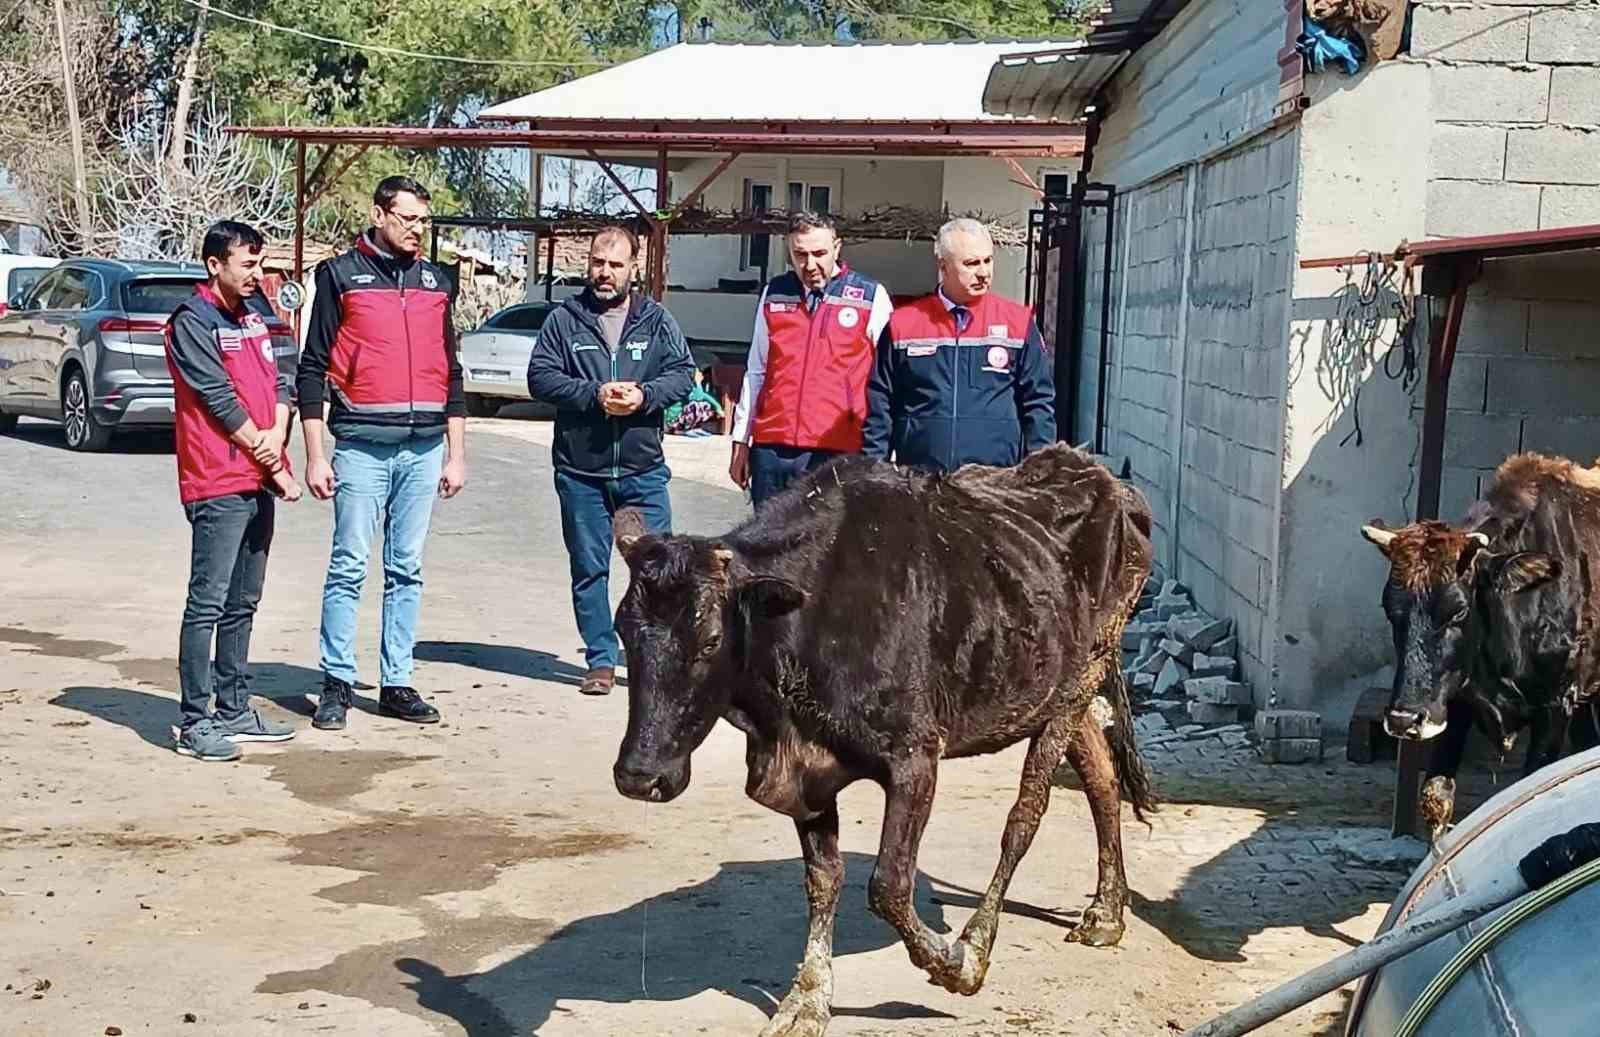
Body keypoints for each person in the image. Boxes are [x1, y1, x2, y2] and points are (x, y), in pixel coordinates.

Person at [296, 175, 468, 731]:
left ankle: (397, 682)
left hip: (422, 449)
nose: (419, 229)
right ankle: (337, 683)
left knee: (407, 568)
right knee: (349, 565)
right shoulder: (339, 277)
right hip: (361, 449)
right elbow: (312, 368)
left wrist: (455, 452)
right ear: (379, 215)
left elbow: (452, 372)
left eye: (424, 220)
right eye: (409, 218)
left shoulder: (438, 282)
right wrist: (316, 453)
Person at [528, 226, 695, 696]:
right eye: (599, 263)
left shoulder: (657, 320)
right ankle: (600, 659)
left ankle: (654, 658)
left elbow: (683, 374)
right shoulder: (565, 319)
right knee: (589, 567)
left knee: (660, 568)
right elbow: (540, 377)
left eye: (616, 264)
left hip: (642, 472)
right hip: (582, 473)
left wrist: (643, 396)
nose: (605, 272)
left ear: (633, 269)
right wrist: (592, 395)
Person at [164, 219, 301, 761]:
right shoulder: (191, 323)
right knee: (208, 603)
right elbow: (218, 400)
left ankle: (234, 707)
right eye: (248, 265)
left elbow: (283, 379)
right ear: (214, 265)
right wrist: (272, 456)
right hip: (217, 480)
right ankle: (194, 721)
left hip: (257, 477)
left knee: (244, 600)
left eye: (260, 264)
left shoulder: (254, 317)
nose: (258, 275)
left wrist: (279, 432)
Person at [864, 218, 1055, 473]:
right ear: (943, 267)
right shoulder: (903, 325)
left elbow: (1038, 402)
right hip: (922, 481)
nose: (984, 272)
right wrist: (873, 472)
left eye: (988, 260)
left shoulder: (1018, 323)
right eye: (971, 263)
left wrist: (1040, 471)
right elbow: (880, 404)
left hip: (995, 482)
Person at [728, 212, 892, 506]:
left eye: (819, 253)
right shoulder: (774, 293)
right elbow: (756, 370)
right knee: (766, 547)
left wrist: (878, 452)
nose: (810, 265)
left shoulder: (870, 296)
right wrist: (741, 440)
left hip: (837, 450)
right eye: (800, 254)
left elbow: (887, 380)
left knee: (827, 549)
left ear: (837, 248)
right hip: (772, 449)